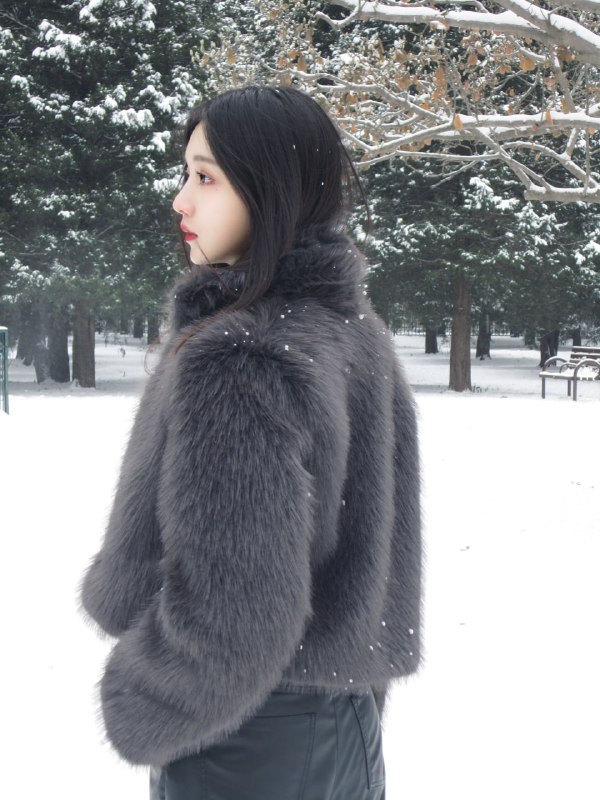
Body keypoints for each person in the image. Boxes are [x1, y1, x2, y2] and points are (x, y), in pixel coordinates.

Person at [78, 84, 422, 800]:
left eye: (206, 178)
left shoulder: (242, 356)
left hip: (244, 741)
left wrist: (148, 700)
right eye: (186, 174)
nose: (181, 201)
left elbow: (234, 620)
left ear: (269, 188)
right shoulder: (352, 333)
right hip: (341, 731)